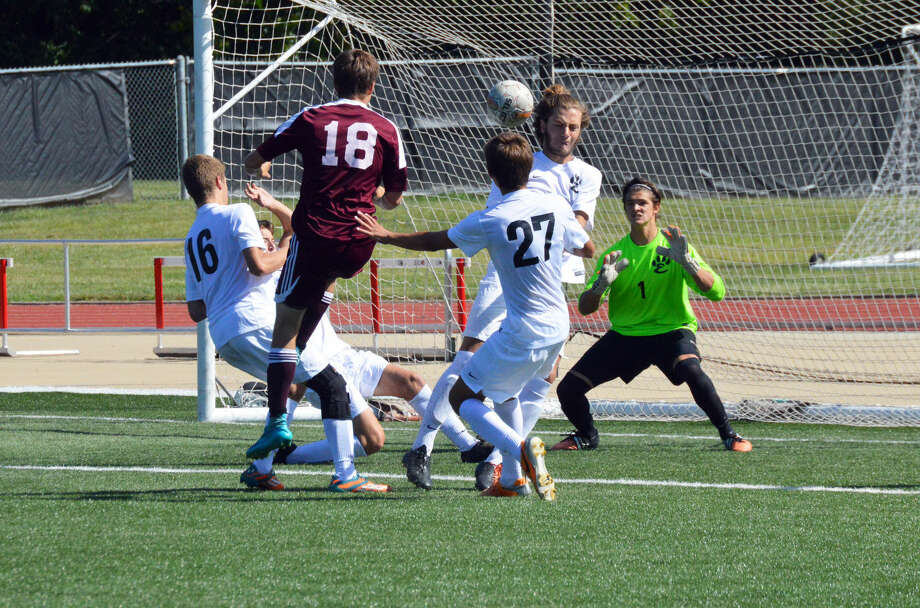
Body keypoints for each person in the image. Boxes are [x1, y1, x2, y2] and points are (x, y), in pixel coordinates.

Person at [357, 132, 595, 500]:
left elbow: (435, 240)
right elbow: (587, 247)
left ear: (491, 175)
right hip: (558, 325)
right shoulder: (554, 204)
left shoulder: (491, 218)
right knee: (506, 394)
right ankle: (514, 481)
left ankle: (520, 449)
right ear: (531, 168)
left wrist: (386, 235)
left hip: (523, 328)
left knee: (461, 396)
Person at [401, 84, 602, 491]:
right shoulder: (522, 161)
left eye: (574, 127)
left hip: (550, 280)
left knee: (537, 381)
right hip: (506, 276)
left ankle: (502, 463)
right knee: (467, 362)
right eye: (559, 125)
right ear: (541, 126)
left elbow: (579, 231)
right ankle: (423, 446)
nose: (567, 133)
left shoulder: (587, 175)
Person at [242, 48, 408, 492]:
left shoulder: (312, 117)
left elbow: (254, 158)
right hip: (358, 243)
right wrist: (367, 197)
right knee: (310, 320)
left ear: (333, 82)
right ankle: (296, 457)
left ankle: (277, 422)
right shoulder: (386, 128)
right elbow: (394, 197)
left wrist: (262, 166)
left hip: (315, 235)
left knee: (285, 335)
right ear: (373, 87)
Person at [553, 177, 753, 452]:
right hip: (627, 337)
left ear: (656, 207)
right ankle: (586, 435)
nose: (637, 208)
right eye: (631, 203)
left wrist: (689, 264)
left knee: (691, 369)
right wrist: (601, 284)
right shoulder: (616, 254)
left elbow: (716, 291)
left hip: (672, 331)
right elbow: (585, 308)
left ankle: (729, 434)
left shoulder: (675, 247)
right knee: (568, 390)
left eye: (643, 203)